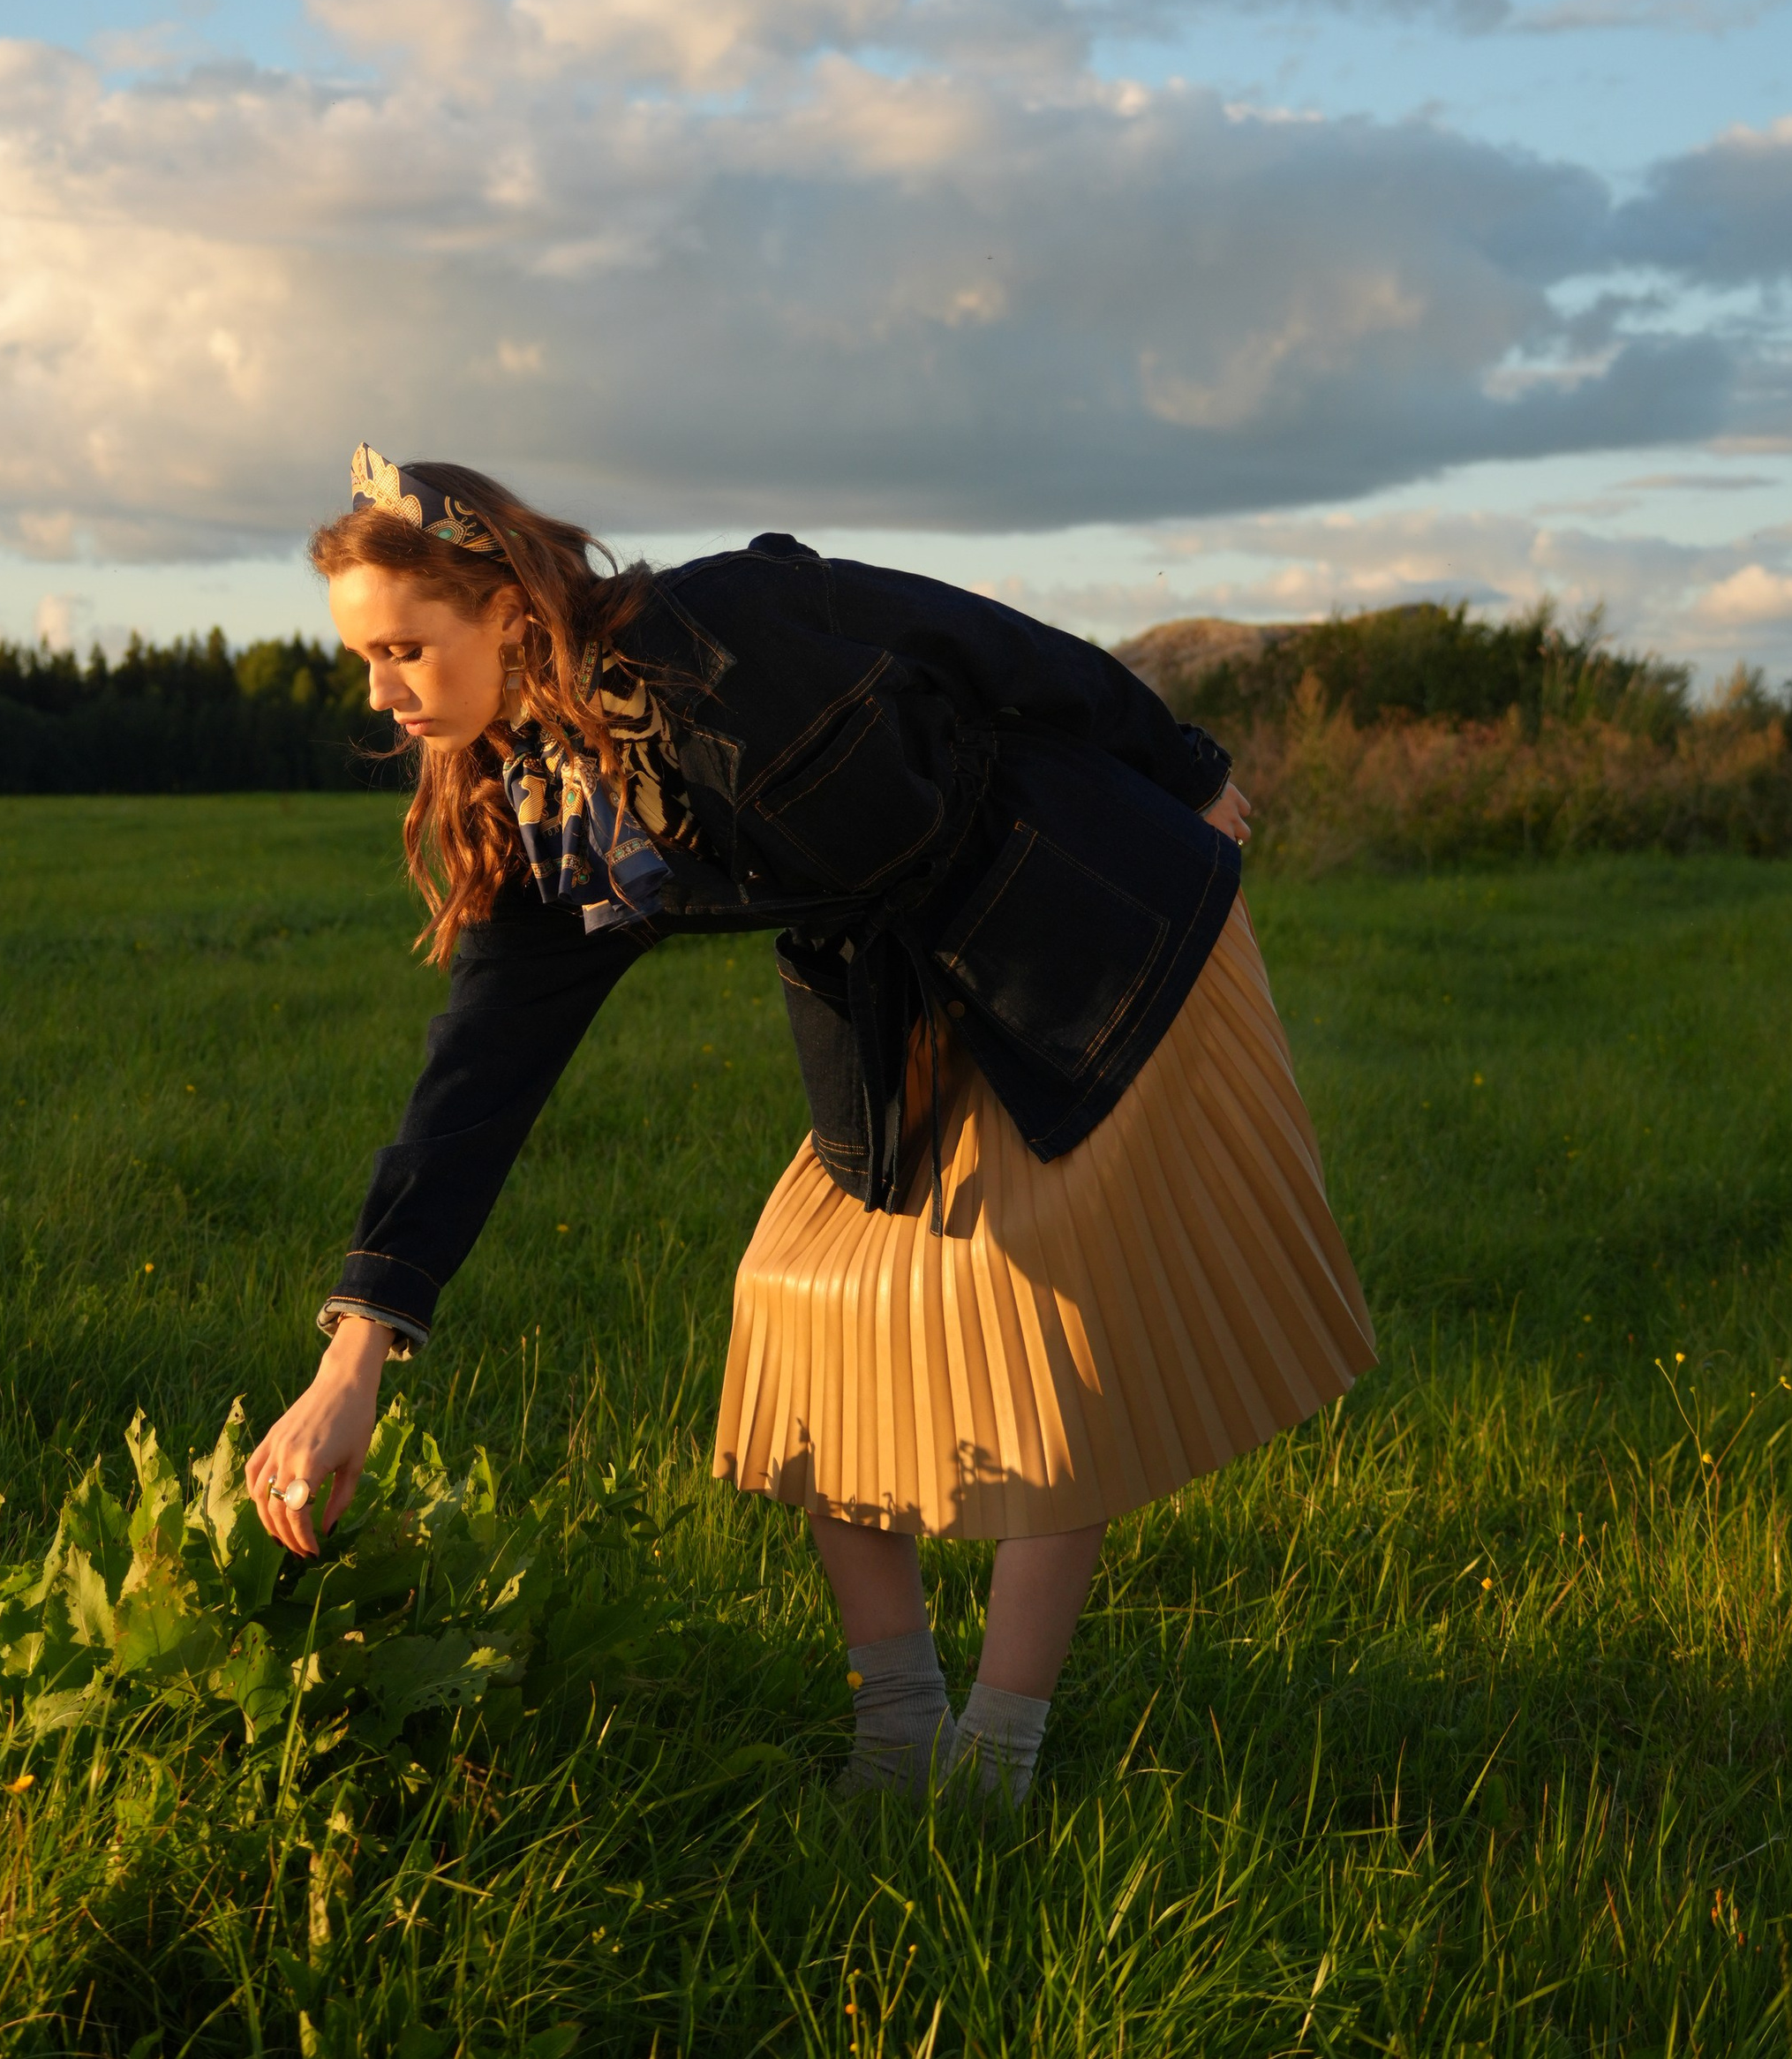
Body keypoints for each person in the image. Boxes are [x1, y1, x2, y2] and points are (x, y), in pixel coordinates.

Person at [247, 449, 1375, 1807]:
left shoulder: (717, 628)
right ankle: (898, 1732)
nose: (380, 692)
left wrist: (1183, 765)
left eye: (402, 650)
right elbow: (479, 1076)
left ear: (504, 611)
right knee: (799, 1299)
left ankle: (994, 1769)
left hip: (1087, 927)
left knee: (1049, 1313)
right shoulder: (547, 815)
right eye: (364, 660)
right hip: (898, 995)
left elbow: (981, 641)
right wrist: (356, 1356)